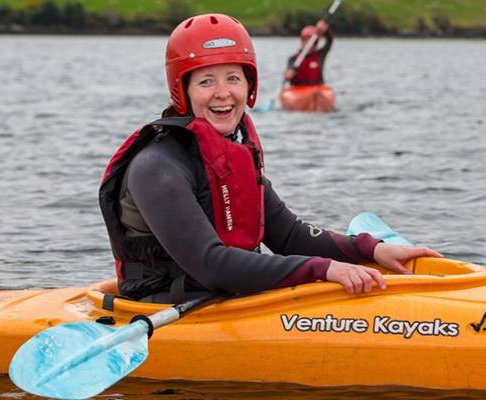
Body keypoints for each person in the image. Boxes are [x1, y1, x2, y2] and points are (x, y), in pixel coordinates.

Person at [99, 13, 440, 303]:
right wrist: (323, 270)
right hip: (168, 310)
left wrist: (371, 250)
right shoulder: (157, 167)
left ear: (249, 87)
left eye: (233, 78)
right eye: (206, 81)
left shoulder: (231, 155)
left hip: (227, 301)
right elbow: (211, 264)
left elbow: (289, 236)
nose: (223, 93)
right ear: (182, 90)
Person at [284, 19, 332, 86]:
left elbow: (329, 42)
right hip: (298, 90)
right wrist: (289, 74)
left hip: (317, 90)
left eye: (313, 42)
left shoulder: (320, 55)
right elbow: (289, 71)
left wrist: (326, 31)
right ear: (302, 40)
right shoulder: (293, 59)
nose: (309, 44)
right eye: (306, 40)